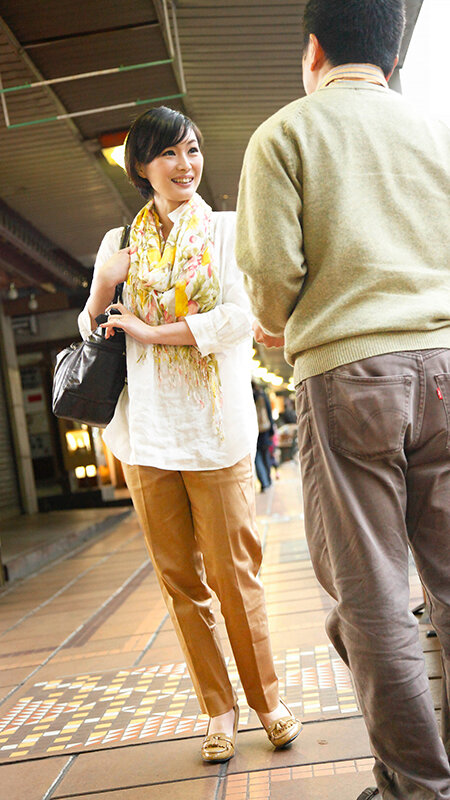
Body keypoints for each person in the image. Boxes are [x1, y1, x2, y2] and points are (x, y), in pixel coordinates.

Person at [235, 0, 450, 797]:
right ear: (391, 57)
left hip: (348, 374)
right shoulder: (436, 131)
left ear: (313, 50)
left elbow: (270, 275)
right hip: (447, 365)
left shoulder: (285, 134)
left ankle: (416, 789)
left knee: (372, 597)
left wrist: (273, 324)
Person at [78, 106, 301, 764]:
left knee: (235, 576)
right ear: (141, 166)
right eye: (170, 153)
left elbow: (238, 318)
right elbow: (92, 335)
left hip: (215, 431)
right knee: (180, 582)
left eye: (193, 150)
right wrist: (103, 285)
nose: (186, 165)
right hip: (146, 437)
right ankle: (218, 709)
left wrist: (152, 331)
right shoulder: (120, 241)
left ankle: (266, 701)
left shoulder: (226, 231)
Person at [252, 381, 275, 491]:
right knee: (265, 455)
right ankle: (268, 479)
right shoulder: (262, 395)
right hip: (264, 430)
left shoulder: (247, 396)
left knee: (257, 457)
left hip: (253, 431)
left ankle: (264, 482)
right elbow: (269, 413)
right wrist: (271, 431)